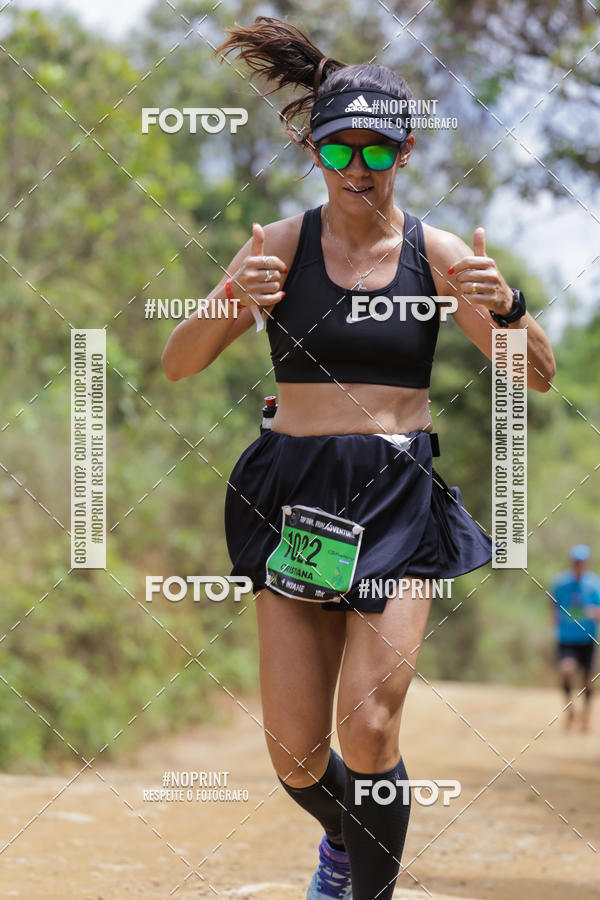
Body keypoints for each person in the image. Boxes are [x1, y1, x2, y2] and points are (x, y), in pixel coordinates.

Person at [162, 17, 556, 900]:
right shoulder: (279, 248)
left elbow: (532, 376)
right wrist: (232, 300)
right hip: (294, 497)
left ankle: (362, 887)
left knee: (372, 728)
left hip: (397, 499)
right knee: (297, 754)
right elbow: (179, 361)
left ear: (406, 151)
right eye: (340, 146)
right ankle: (347, 841)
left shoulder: (440, 255)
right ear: (313, 148)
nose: (357, 166)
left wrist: (510, 309)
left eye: (377, 148)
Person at [550, 544, 600, 732]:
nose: (578, 565)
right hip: (567, 638)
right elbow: (553, 603)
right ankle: (570, 709)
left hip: (587, 637)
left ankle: (586, 714)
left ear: (587, 563)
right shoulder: (560, 583)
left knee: (587, 679)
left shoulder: (594, 584)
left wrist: (590, 613)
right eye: (576, 562)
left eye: (582, 562)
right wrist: (554, 619)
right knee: (566, 671)